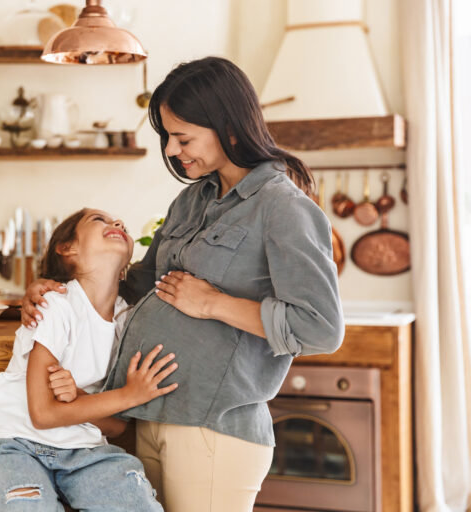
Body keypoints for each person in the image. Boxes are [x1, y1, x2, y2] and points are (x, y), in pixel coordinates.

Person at [21, 56, 345, 512]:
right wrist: (55, 286)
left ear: (229, 129)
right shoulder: (192, 201)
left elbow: (320, 329)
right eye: (168, 137)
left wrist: (214, 303)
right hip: (149, 416)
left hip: (212, 430)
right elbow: (137, 285)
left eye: (183, 137)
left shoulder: (282, 207)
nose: (172, 150)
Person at [0, 208, 178, 512]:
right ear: (67, 248)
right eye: (99, 220)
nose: (118, 223)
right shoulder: (55, 305)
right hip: (17, 444)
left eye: (120, 223)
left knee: (136, 503)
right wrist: (128, 395)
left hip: (84, 450)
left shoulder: (128, 323)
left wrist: (81, 398)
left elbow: (115, 427)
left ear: (126, 268)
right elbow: (42, 414)